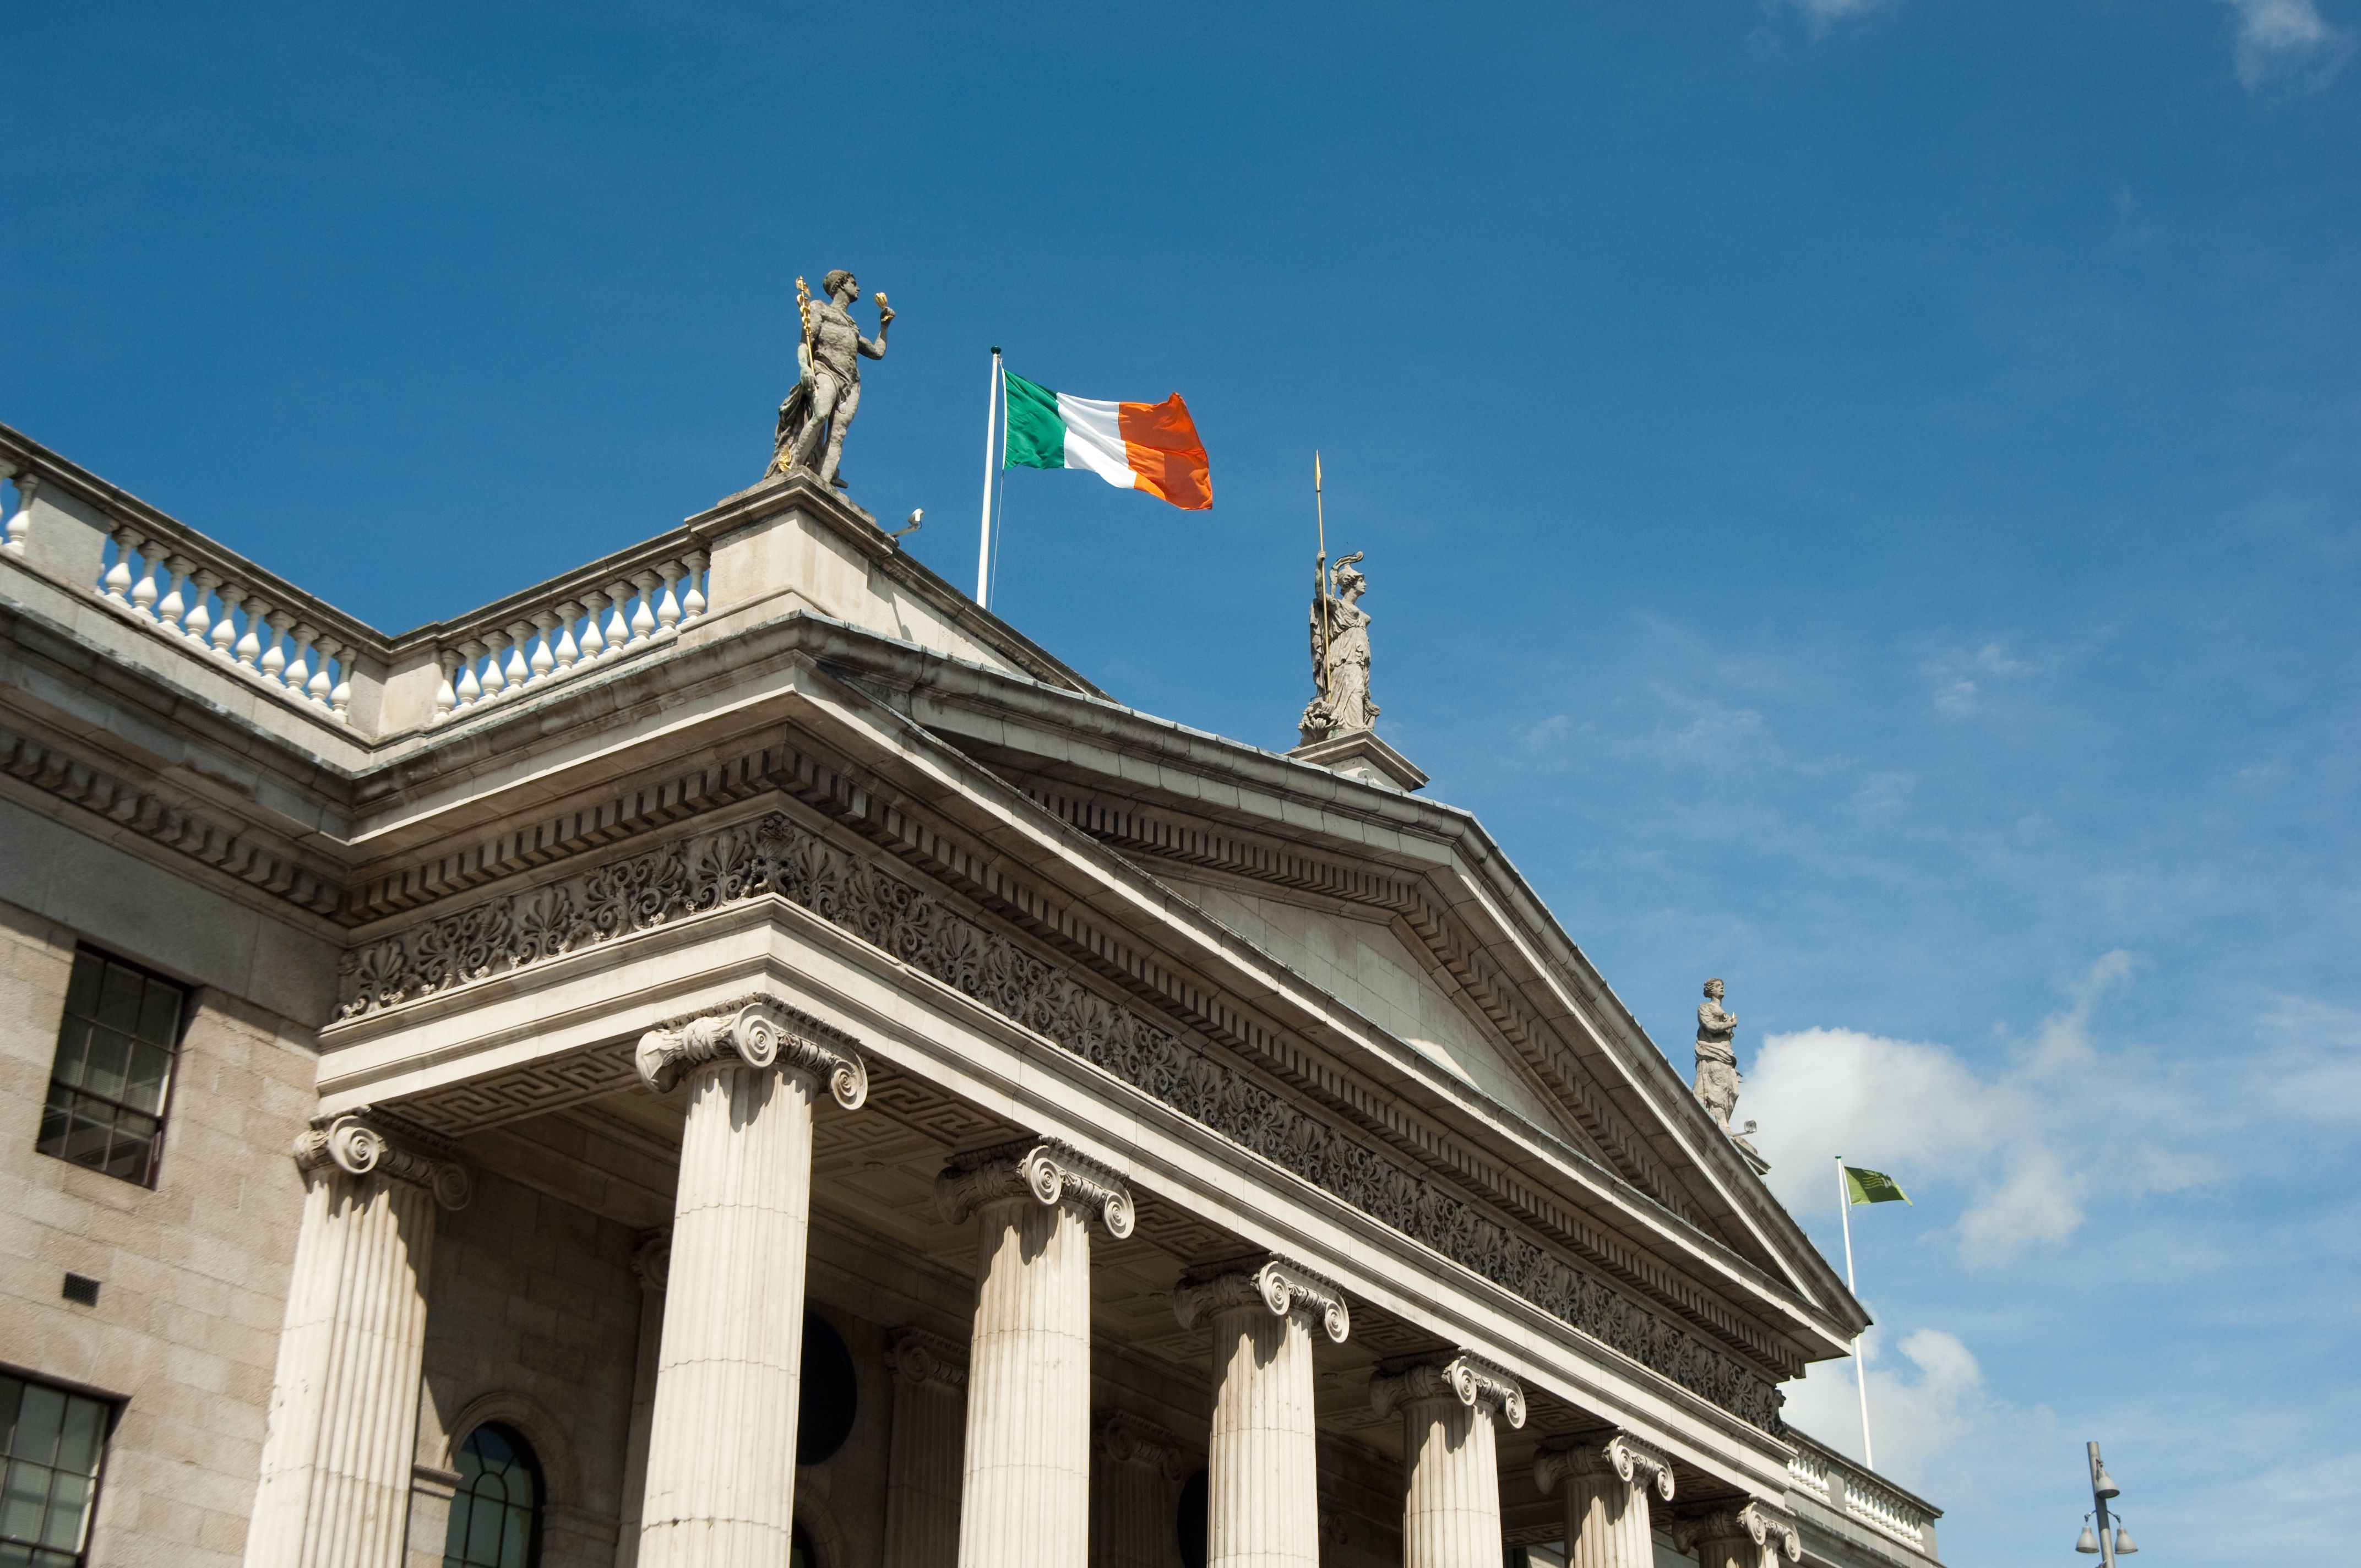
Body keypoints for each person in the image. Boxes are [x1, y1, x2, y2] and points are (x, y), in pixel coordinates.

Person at [773, 269, 891, 487]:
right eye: (853, 283)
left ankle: (824, 483)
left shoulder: (852, 325)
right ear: (840, 285)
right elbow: (805, 343)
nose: (858, 288)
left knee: (838, 434)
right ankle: (793, 468)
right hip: (826, 370)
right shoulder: (820, 308)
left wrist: (884, 327)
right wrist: (804, 367)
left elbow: (877, 352)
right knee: (821, 414)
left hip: (851, 382)